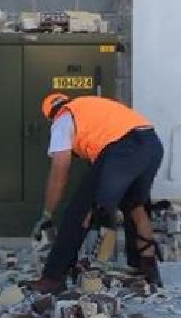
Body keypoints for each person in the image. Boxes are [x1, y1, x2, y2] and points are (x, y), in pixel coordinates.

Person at [27, 93, 165, 294]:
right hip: (151, 145)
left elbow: (59, 170)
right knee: (136, 206)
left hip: (121, 150)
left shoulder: (63, 119)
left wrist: (47, 214)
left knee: (79, 211)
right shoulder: (90, 106)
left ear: (50, 115)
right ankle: (147, 270)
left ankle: (53, 278)